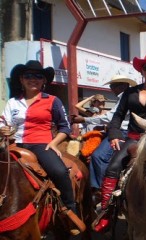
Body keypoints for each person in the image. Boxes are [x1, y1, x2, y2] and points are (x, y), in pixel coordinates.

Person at [93, 52, 146, 232]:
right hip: (133, 137)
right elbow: (117, 115)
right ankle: (107, 211)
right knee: (113, 167)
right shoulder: (130, 92)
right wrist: (114, 134)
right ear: (142, 70)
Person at [0, 60, 85, 234]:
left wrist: (53, 143)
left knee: (60, 172)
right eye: (28, 76)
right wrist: (3, 129)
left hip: (41, 144)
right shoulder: (13, 102)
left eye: (38, 76)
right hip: (15, 144)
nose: (33, 79)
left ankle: (69, 211)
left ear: (44, 81)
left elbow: (64, 127)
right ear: (21, 80)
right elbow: (3, 122)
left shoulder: (53, 100)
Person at [71, 75, 137, 196]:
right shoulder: (122, 98)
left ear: (123, 86)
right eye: (98, 101)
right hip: (112, 130)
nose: (112, 89)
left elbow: (109, 118)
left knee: (98, 156)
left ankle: (103, 190)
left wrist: (84, 120)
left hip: (120, 132)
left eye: (113, 86)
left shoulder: (125, 97)